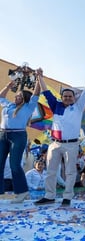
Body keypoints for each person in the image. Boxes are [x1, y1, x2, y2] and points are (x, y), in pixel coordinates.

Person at [34, 67, 85, 207]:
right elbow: (46, 92)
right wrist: (40, 76)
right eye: (65, 96)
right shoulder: (56, 106)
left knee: (70, 172)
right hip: (54, 144)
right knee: (51, 171)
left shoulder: (78, 107)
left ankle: (67, 197)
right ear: (61, 97)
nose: (67, 98)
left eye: (70, 96)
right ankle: (49, 196)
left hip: (71, 144)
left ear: (73, 98)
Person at [0, 68, 41, 203]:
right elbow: (0, 97)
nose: (16, 97)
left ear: (24, 98)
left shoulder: (28, 107)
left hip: (18, 136)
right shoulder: (9, 105)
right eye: (16, 95)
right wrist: (8, 86)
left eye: (19, 96)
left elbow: (36, 93)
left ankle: (22, 192)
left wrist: (39, 78)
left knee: (14, 165)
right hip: (3, 135)